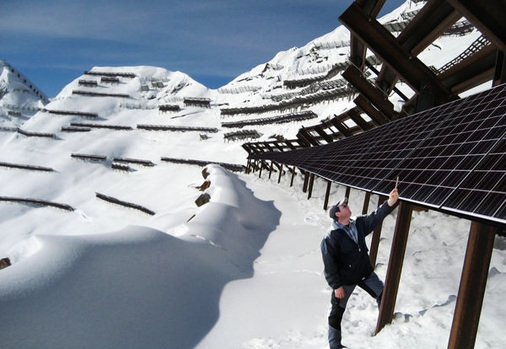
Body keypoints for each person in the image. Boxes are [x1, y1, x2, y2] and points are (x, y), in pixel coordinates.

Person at [321, 187, 399, 348]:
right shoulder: (331, 237)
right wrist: (336, 286)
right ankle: (335, 345)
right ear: (337, 214)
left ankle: (386, 327)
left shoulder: (358, 223)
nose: (347, 206)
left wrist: (390, 202)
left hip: (364, 273)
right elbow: (329, 265)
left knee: (383, 295)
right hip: (345, 280)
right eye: (343, 206)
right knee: (336, 312)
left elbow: (375, 217)